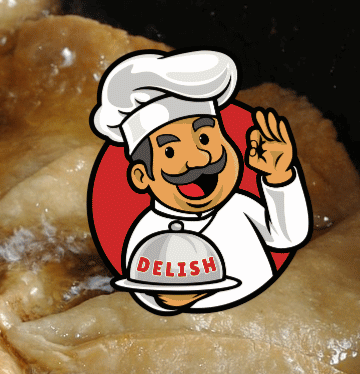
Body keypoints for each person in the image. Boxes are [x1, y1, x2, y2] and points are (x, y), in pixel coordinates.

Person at [91, 49, 310, 313]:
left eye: (204, 139)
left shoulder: (238, 206)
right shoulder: (148, 233)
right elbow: (147, 294)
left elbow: (287, 237)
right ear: (141, 176)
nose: (196, 160)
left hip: (275, 310)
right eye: (170, 151)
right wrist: (175, 297)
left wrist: (279, 177)